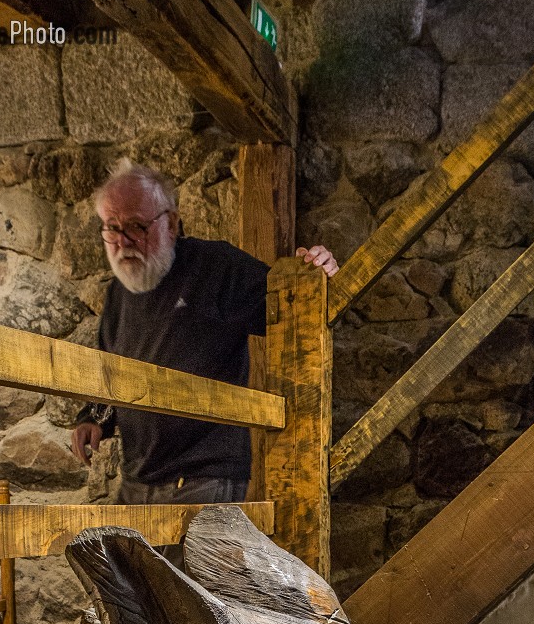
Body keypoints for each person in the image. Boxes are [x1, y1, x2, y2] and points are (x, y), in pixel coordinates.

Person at [71, 159, 338, 504]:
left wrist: (316, 273)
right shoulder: (119, 290)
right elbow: (108, 365)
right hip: (138, 475)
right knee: (96, 553)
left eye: (136, 226)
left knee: (193, 561)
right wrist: (92, 419)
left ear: (171, 224)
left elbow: (294, 306)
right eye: (111, 227)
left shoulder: (215, 268)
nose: (122, 241)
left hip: (205, 476)